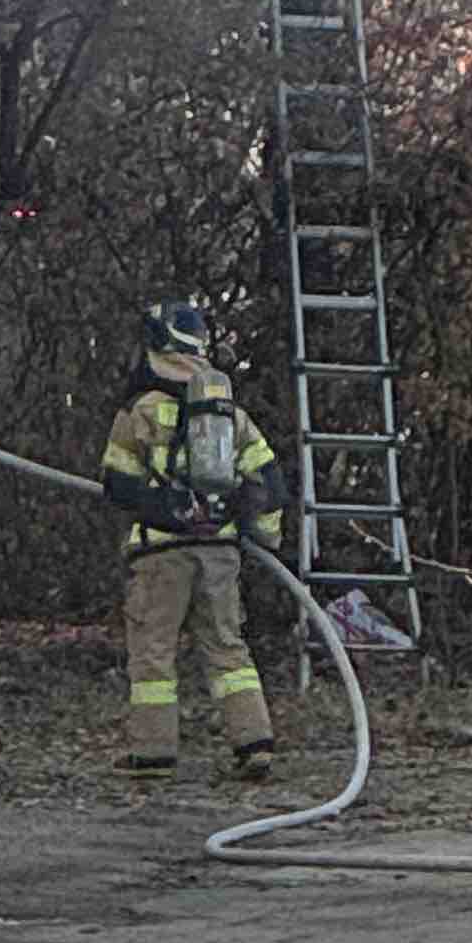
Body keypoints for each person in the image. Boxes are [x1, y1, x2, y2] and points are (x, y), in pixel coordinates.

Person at [99, 295, 286, 780]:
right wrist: (264, 538)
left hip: (162, 551)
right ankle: (254, 742)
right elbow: (270, 484)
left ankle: (153, 753)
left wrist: (165, 507)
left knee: (153, 652)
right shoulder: (230, 416)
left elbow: (117, 482)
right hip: (220, 551)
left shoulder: (142, 408)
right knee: (228, 649)